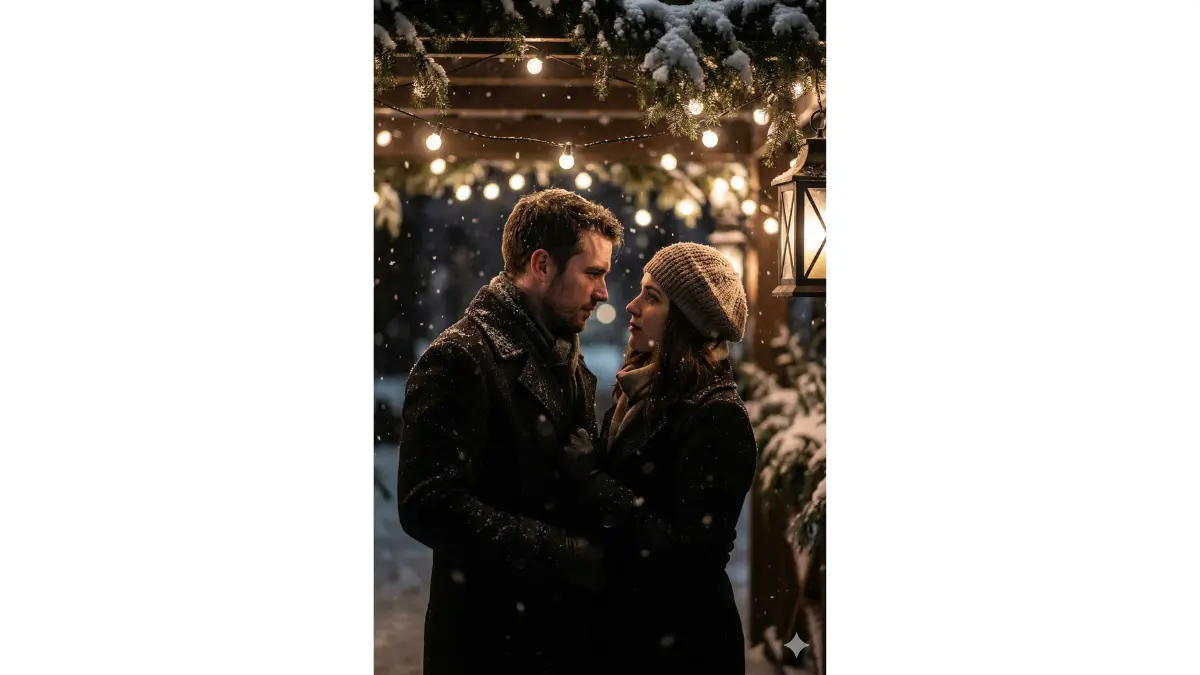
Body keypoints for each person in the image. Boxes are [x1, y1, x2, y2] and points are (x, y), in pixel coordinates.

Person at [394, 188, 624, 675]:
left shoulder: (564, 353)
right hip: (490, 641)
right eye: (593, 273)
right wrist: (559, 552)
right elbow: (428, 502)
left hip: (560, 639)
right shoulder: (460, 357)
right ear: (541, 265)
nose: (603, 292)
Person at [558, 242, 758, 674]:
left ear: (686, 321)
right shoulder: (644, 391)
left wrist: (593, 481)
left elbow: (692, 555)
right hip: (634, 634)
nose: (630, 305)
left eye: (652, 297)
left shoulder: (716, 415)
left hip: (682, 646)